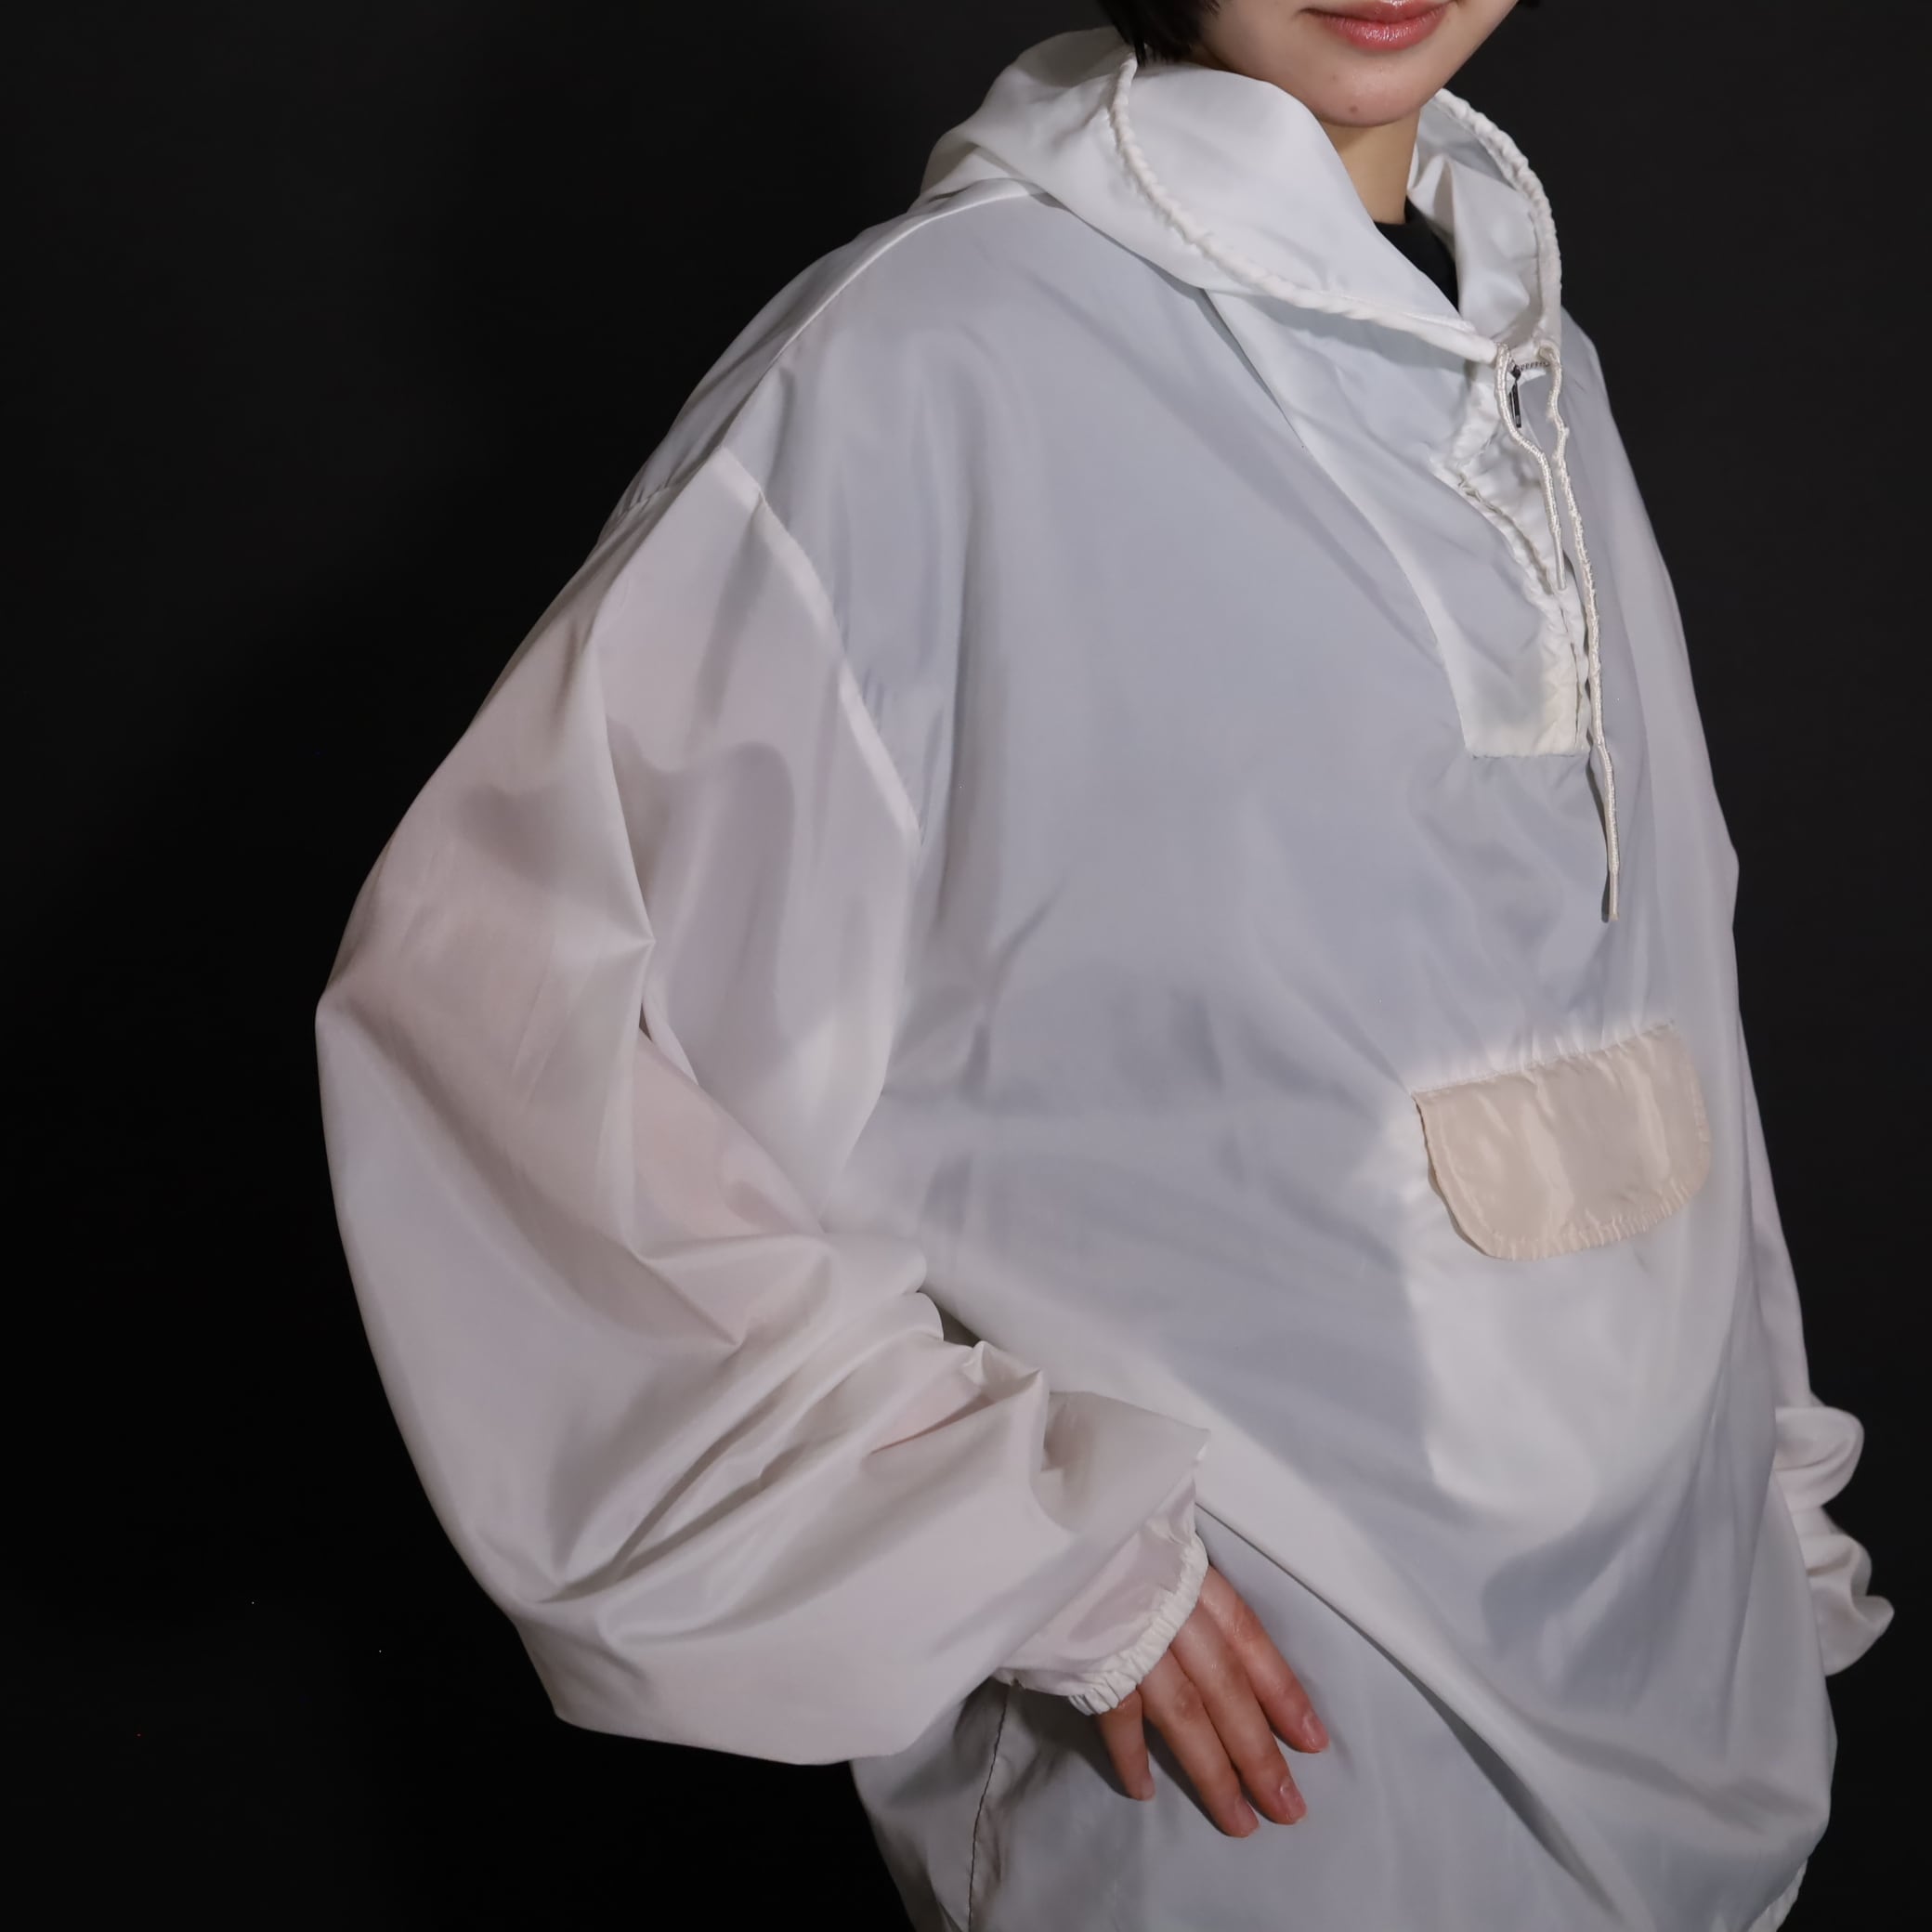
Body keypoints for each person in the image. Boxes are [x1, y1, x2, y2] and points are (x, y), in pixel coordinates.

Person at [315, 4, 1892, 1926]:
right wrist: (1003, 1541)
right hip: (1269, 1757)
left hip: (1684, 1695)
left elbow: (1648, 997)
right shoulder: (933, 360)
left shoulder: (1530, 365)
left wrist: (1761, 1502)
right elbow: (510, 1020)